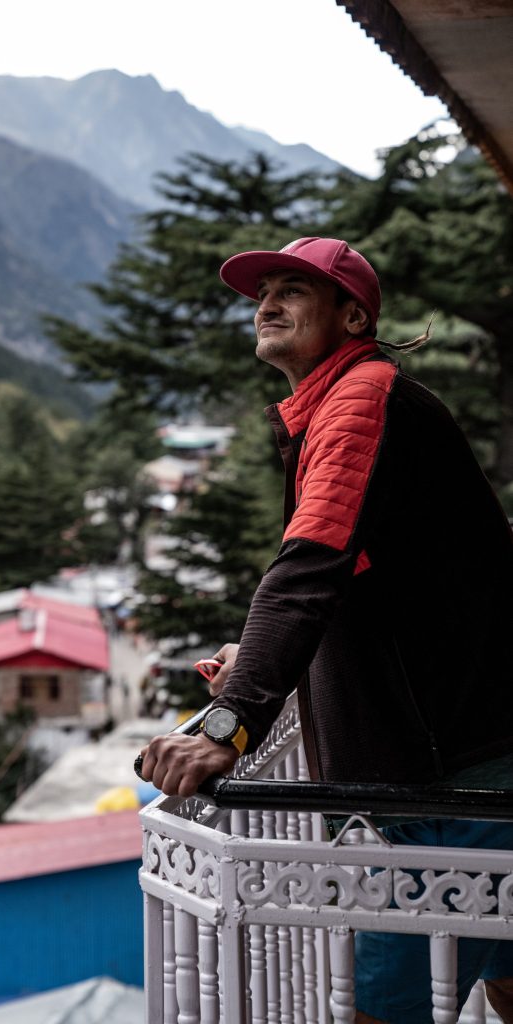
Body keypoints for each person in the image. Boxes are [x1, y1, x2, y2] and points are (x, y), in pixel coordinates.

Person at [139, 237, 513, 1023]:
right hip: (476, 757)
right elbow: (368, 581)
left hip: (463, 775)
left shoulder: (359, 397)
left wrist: (228, 723)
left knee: (379, 1007)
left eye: (293, 291)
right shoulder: (342, 403)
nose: (266, 304)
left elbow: (308, 568)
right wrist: (263, 664)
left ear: (351, 316)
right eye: (262, 291)